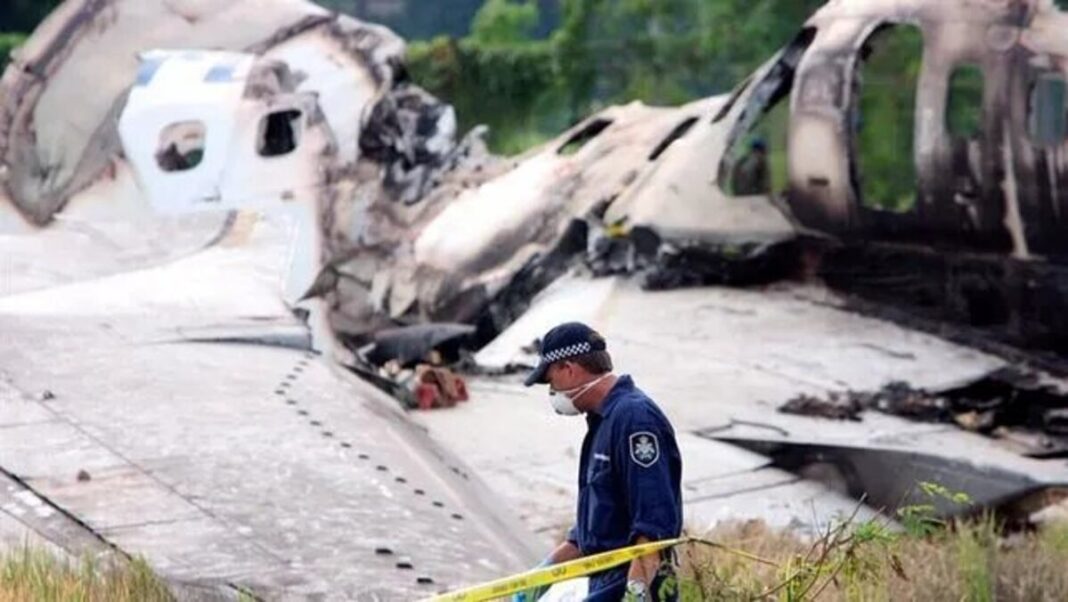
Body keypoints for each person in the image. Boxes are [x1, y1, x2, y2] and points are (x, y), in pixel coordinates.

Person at [517, 322, 683, 602]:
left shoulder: (634, 420)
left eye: (550, 381)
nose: (552, 393)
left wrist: (637, 593)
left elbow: (652, 527)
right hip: (602, 583)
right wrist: (541, 576)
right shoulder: (602, 423)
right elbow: (591, 534)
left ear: (569, 370)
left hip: (629, 584)